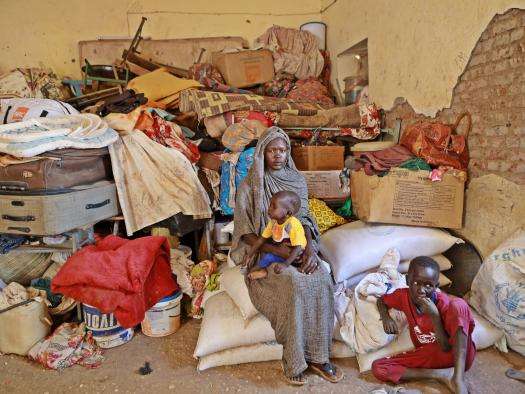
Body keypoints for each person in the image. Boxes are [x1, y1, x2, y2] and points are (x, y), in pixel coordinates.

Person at [231, 126, 343, 386]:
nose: (278, 155)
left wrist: (310, 250)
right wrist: (273, 249)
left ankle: (319, 356)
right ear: (262, 153)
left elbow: (303, 219)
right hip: (265, 250)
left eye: (282, 150)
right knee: (292, 281)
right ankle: (294, 359)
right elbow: (245, 233)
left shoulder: (296, 180)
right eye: (272, 150)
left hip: (296, 245)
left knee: (321, 276)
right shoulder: (250, 186)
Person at [373, 256, 476, 394]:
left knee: (459, 305)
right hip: (429, 353)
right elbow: (381, 301)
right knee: (379, 367)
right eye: (416, 283)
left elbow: (446, 347)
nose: (422, 290)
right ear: (408, 280)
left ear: (436, 286)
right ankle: (440, 375)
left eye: (428, 285)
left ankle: (458, 378)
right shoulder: (403, 297)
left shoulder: (443, 304)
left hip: (457, 355)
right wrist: (386, 318)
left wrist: (435, 316)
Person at [242, 190, 307, 280]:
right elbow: (261, 239)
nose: (269, 209)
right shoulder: (273, 222)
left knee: (269, 258)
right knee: (264, 253)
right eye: (270, 205)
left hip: (294, 257)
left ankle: (262, 271)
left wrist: (285, 264)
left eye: (274, 207)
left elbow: (298, 247)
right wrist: (249, 254)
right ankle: (263, 270)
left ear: (288, 213)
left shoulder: (292, 224)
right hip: (280, 251)